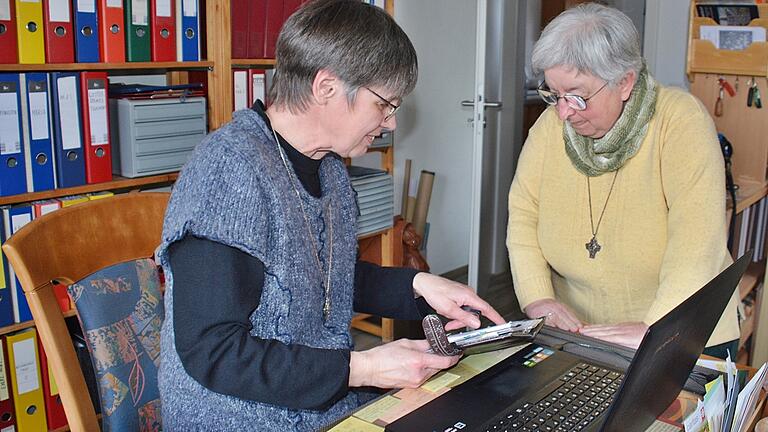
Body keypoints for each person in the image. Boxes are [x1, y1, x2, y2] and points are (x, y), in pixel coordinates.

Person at [156, 1, 505, 430]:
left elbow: (324, 280)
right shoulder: (229, 172)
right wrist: (364, 369)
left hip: (317, 400)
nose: (391, 123)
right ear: (326, 87)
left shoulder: (329, 169)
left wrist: (418, 286)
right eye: (385, 104)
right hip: (233, 416)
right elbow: (214, 353)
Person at [506, 3, 739, 356]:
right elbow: (523, 215)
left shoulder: (679, 122)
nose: (563, 112)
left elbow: (697, 240)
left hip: (680, 330)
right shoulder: (549, 130)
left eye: (578, 97)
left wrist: (657, 327)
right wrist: (538, 297)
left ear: (625, 82)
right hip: (583, 331)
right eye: (554, 94)